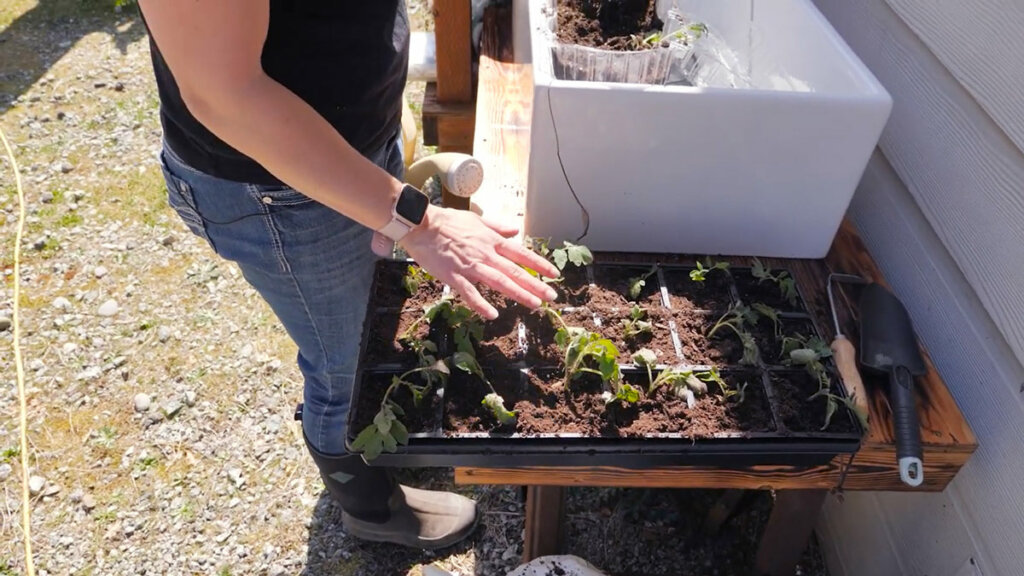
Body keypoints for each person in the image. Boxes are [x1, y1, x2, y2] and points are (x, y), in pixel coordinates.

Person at [137, 0, 560, 550]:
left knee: (370, 318)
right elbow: (225, 94)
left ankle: (382, 434)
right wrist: (420, 222)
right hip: (281, 193)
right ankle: (372, 509)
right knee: (342, 368)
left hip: (342, 149)